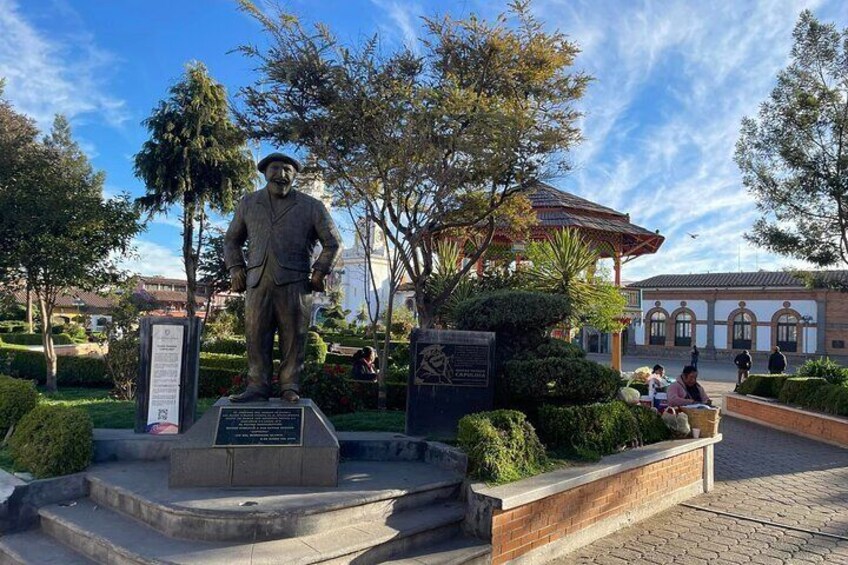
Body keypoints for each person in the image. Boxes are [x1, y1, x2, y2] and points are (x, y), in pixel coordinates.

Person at [224, 153, 341, 403]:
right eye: (275, 168)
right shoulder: (248, 203)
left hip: (296, 283)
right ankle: (257, 386)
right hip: (257, 282)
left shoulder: (312, 206)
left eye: (288, 170)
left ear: (295, 175)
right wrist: (235, 267)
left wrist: (320, 271)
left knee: (294, 337)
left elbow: (333, 243)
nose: (282, 174)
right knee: (255, 336)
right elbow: (232, 240)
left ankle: (290, 386)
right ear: (264, 172)